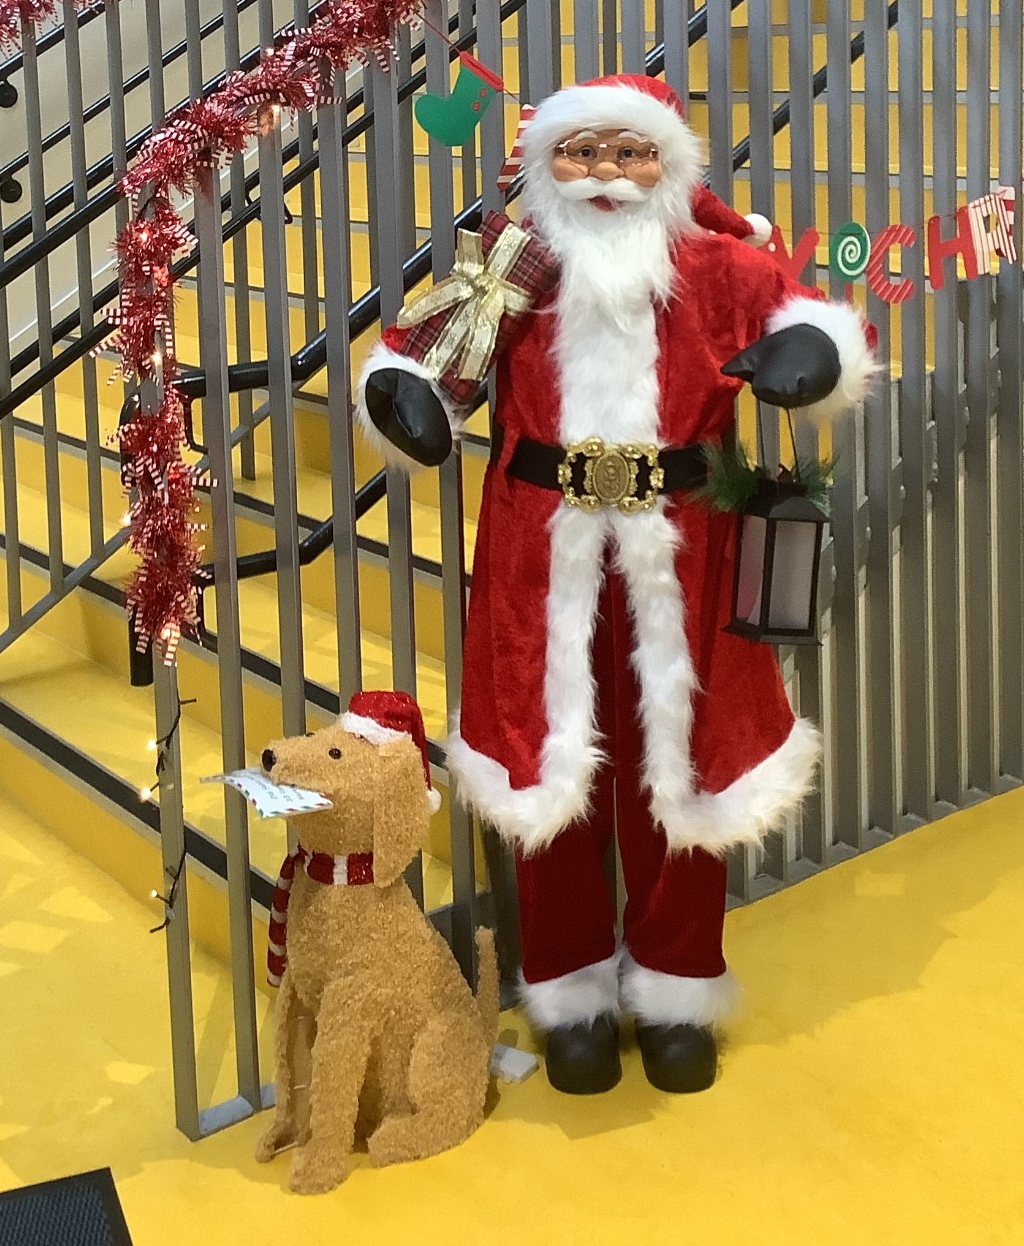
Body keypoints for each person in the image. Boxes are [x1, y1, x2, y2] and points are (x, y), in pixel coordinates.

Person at [356, 73, 874, 1095]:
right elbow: (422, 357)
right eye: (581, 151)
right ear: (546, 164)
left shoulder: (719, 265)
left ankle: (678, 987)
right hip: (538, 559)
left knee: (679, 770)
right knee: (550, 773)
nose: (605, 173)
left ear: (665, 164)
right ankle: (571, 992)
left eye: (628, 152)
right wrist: (403, 397)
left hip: (684, 553)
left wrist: (812, 353)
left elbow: (809, 316)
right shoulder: (510, 269)